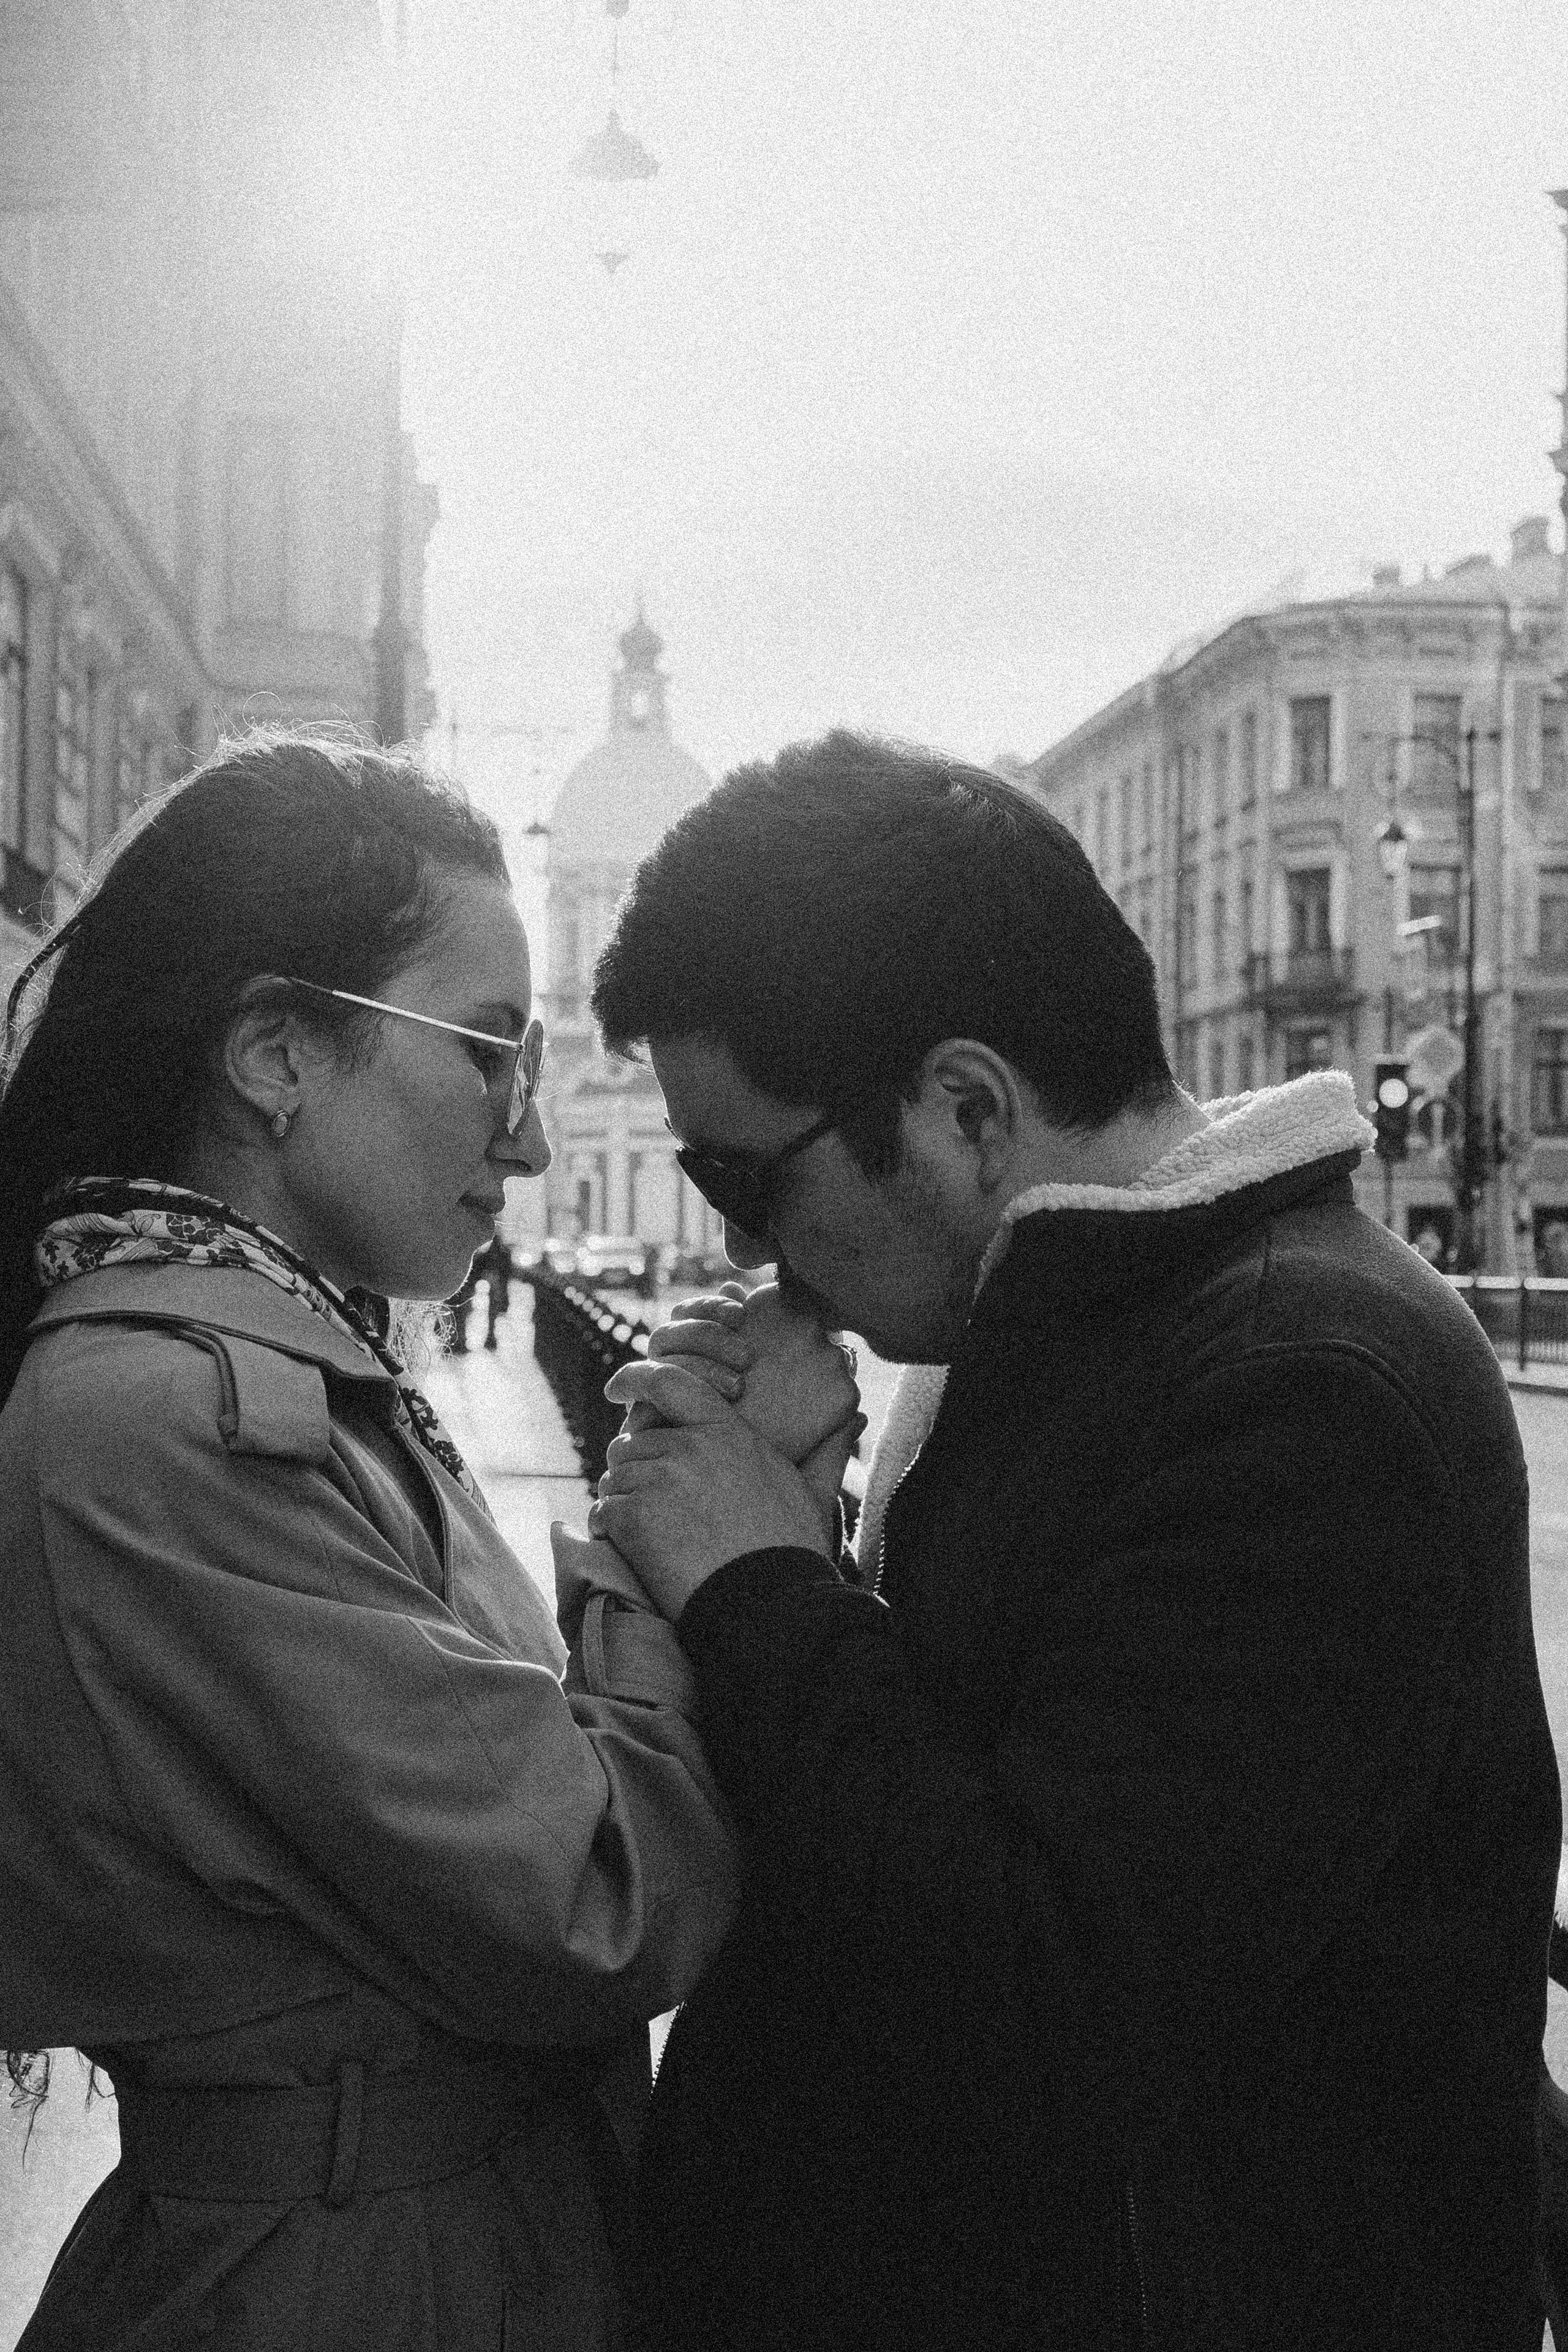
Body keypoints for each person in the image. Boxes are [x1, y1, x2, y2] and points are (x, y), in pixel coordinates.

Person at [586, 730, 1562, 2351]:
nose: (740, 1239)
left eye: (744, 1176)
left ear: (967, 1108)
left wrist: (756, 1584)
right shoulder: (1078, 1325)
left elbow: (1040, 2007)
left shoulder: (1298, 1384)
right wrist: (798, 1516)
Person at [0, 732, 740, 2352]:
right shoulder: (179, 1419)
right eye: (484, 1052)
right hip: (348, 2283)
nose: (531, 1137)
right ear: (274, 1055)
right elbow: (591, 1901)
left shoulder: (275, 1372)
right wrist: (682, 1538)